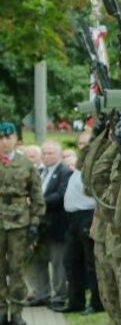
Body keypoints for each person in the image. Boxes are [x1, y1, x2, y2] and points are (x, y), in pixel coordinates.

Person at [0, 121, 45, 325]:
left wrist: (35, 221)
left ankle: (16, 310)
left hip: (19, 223)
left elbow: (36, 195)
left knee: (17, 268)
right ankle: (1, 311)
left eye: (8, 137)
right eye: (1, 138)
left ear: (16, 140)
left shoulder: (26, 164)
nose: (4, 142)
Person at [28, 139, 72, 307]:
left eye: (50, 153)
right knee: (37, 261)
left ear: (60, 154)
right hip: (39, 227)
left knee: (57, 263)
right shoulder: (39, 172)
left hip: (56, 225)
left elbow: (60, 196)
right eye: (44, 153)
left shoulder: (65, 172)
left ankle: (59, 296)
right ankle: (41, 294)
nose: (46, 156)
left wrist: (37, 203)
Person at [62, 132, 99, 313]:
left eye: (87, 143)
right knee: (71, 260)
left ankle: (95, 303)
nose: (83, 146)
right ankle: (75, 301)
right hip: (73, 218)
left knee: (91, 263)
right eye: (80, 144)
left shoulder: (95, 163)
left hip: (88, 215)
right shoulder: (79, 165)